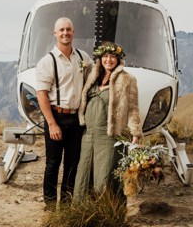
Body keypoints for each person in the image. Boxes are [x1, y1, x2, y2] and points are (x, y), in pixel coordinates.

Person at [73, 41, 142, 200]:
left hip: (109, 136)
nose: (108, 60)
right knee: (82, 176)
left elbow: (133, 108)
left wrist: (135, 133)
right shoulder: (92, 75)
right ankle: (82, 214)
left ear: (118, 59)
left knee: (104, 178)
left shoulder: (127, 79)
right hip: (88, 135)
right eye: (105, 56)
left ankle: (108, 215)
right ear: (100, 58)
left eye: (112, 57)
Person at [35, 17, 90, 205]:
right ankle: (50, 208)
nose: (65, 33)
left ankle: (66, 207)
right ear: (55, 34)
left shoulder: (83, 57)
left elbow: (96, 76)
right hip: (56, 117)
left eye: (68, 29)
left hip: (77, 119)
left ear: (73, 32)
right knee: (53, 164)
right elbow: (41, 94)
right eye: (61, 30)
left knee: (72, 164)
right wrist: (52, 124)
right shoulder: (47, 61)